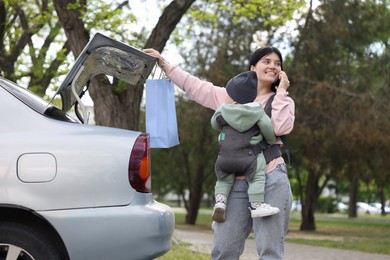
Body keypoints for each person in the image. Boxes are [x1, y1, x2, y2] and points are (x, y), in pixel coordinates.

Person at [144, 46, 295, 260]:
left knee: (270, 251)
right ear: (253, 68)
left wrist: (281, 92)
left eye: (277, 63)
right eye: (266, 61)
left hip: (271, 178)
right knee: (224, 249)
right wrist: (165, 65)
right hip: (234, 182)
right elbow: (195, 87)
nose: (273, 66)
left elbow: (280, 128)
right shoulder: (229, 97)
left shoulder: (283, 100)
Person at [211, 70, 279, 223]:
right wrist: (269, 140)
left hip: (225, 157)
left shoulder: (222, 109)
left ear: (233, 97)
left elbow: (214, 124)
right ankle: (256, 205)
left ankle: (220, 202)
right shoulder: (258, 111)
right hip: (249, 158)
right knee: (257, 177)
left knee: (223, 179)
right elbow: (268, 128)